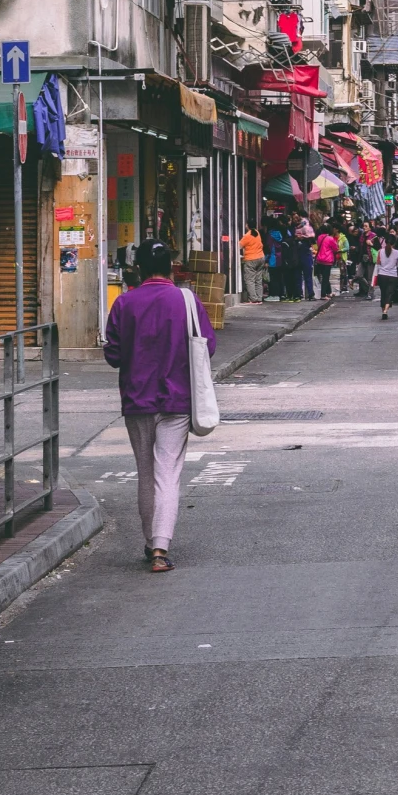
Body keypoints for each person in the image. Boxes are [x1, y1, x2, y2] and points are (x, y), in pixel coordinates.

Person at [102, 238, 212, 574]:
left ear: (139, 268)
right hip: (177, 399)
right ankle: (160, 549)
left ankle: (150, 542)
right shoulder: (187, 300)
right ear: (169, 267)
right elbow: (208, 344)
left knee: (146, 474)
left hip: (137, 399)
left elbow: (113, 355)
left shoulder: (124, 303)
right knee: (168, 474)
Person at [375, 230, 398, 318]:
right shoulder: (397, 253)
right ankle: (386, 311)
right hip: (392, 275)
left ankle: (383, 310)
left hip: (382, 275)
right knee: (389, 294)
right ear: (394, 243)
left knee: (383, 293)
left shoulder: (380, 251)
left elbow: (378, 263)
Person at [239, 223, 266, 305]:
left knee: (249, 279)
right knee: (258, 279)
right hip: (261, 258)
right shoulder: (257, 232)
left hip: (251, 259)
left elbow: (239, 246)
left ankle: (253, 299)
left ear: (247, 225)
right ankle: (259, 298)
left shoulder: (247, 236)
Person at [314, 224, 338, 298]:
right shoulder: (330, 239)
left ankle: (329, 292)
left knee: (324, 277)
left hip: (319, 260)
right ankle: (323, 295)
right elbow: (335, 248)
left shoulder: (319, 237)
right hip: (327, 260)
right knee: (326, 278)